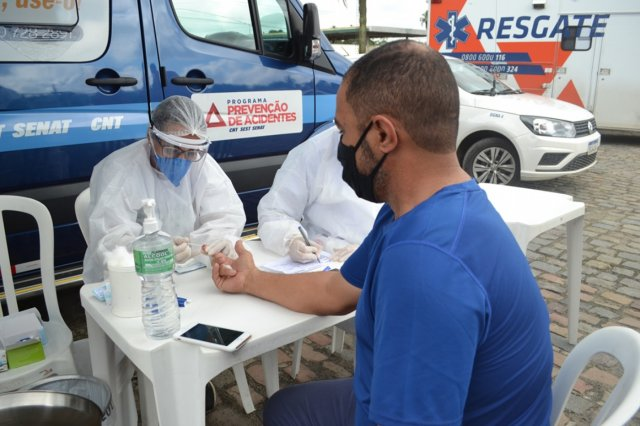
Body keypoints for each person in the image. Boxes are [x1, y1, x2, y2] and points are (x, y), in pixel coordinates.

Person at [211, 40, 553, 425]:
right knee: (287, 408)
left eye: (343, 130)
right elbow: (335, 291)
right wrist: (252, 279)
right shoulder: (422, 209)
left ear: (383, 136)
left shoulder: (424, 265)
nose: (339, 145)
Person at [83, 95, 246, 283]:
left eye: (191, 152)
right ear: (151, 137)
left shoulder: (201, 164)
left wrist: (214, 242)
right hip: (131, 282)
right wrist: (155, 252)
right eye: (171, 149)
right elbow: (110, 243)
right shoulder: (119, 171)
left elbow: (227, 216)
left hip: (188, 275)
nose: (181, 159)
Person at [257, 125, 382, 263]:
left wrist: (371, 250)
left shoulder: (403, 152)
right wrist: (292, 239)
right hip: (324, 260)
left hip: (384, 264)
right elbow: (274, 212)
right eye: (341, 126)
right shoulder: (316, 150)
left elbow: (406, 228)